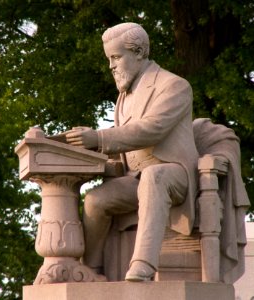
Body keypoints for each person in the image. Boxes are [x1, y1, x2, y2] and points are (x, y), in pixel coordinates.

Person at [65, 22, 199, 281]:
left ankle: (143, 266)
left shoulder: (174, 85)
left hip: (175, 174)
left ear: (138, 52)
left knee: (153, 177)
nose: (111, 66)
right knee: (95, 200)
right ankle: (91, 271)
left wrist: (97, 137)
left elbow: (152, 129)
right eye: (109, 59)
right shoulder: (124, 96)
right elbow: (123, 150)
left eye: (116, 57)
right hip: (134, 179)